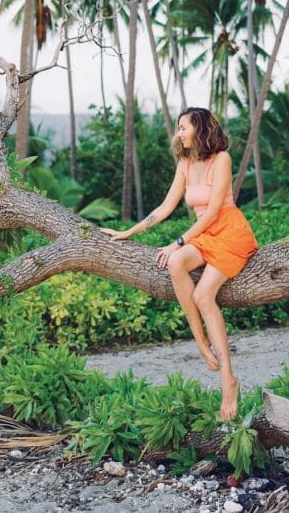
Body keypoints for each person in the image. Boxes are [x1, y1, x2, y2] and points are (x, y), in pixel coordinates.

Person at [100, 107, 258, 421]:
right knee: (175, 264)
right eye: (178, 127)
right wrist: (129, 231)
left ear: (199, 129)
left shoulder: (221, 159)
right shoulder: (185, 164)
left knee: (203, 295)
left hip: (229, 233)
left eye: (183, 127)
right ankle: (200, 340)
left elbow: (214, 212)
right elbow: (164, 207)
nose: (179, 133)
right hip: (204, 236)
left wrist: (179, 241)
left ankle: (229, 378)